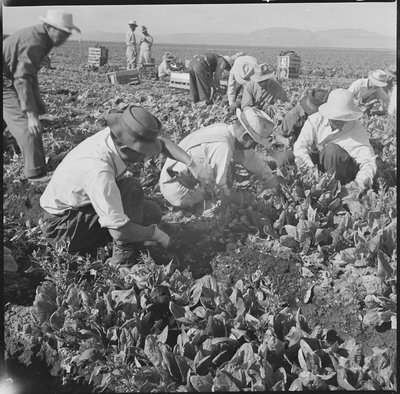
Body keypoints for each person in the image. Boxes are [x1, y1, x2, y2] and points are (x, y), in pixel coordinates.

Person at [39, 105, 212, 267]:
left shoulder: (117, 138)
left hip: (81, 209)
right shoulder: (99, 171)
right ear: (124, 147)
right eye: (143, 152)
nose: (147, 157)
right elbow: (119, 232)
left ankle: (128, 239)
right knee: (131, 188)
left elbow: (163, 145)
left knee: (152, 211)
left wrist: (193, 164)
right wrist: (154, 234)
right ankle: (123, 261)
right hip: (62, 229)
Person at [3, 9, 80, 183]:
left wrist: (38, 103)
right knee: (28, 127)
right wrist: (31, 114)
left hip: (7, 76)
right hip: (5, 81)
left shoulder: (42, 38)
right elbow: (22, 78)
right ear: (49, 27)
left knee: (10, 117)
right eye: (62, 33)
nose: (64, 38)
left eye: (67, 34)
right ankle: (35, 174)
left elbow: (30, 75)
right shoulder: (35, 41)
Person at [159, 107, 278, 208]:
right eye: (255, 142)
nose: (255, 147)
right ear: (246, 136)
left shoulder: (225, 130)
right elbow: (219, 187)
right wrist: (243, 201)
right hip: (178, 191)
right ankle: (204, 207)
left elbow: (251, 158)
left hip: (166, 180)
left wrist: (271, 181)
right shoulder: (223, 146)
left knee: (231, 166)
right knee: (229, 177)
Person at [293, 89, 377, 189]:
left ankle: (334, 188)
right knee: (287, 158)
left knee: (332, 151)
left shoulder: (356, 128)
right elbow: (300, 147)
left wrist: (357, 184)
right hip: (318, 163)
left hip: (343, 170)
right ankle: (317, 183)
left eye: (341, 117)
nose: (336, 120)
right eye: (333, 115)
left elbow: (368, 162)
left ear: (349, 116)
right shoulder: (315, 119)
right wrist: (311, 172)